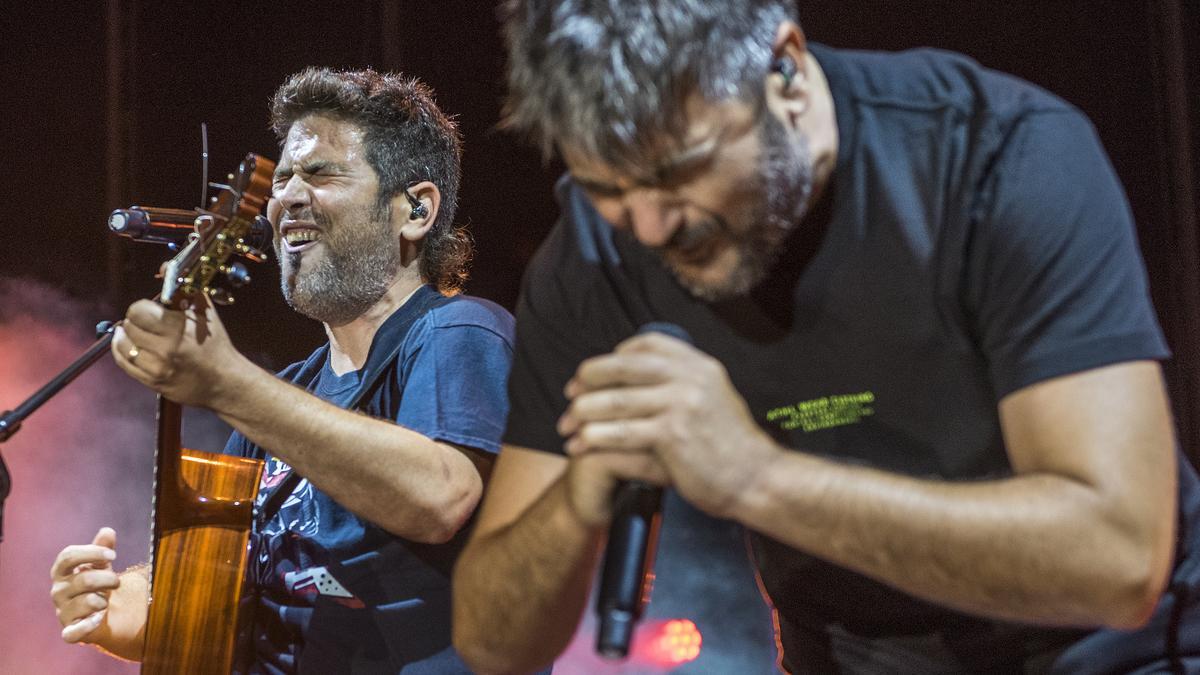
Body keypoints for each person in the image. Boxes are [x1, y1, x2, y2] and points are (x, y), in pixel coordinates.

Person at [452, 1, 1200, 673]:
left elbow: (1118, 561)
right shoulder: (592, 258)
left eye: (680, 169)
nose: (650, 226)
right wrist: (581, 492)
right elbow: (493, 644)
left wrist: (755, 478)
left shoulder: (998, 157)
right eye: (607, 187)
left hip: (1111, 650)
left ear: (786, 72)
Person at [49, 67, 515, 673]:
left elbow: (439, 496)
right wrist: (117, 606)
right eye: (285, 176)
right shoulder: (288, 394)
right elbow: (205, 591)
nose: (287, 195)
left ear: (416, 210)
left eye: (320, 174)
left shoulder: (458, 333)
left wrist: (229, 383)